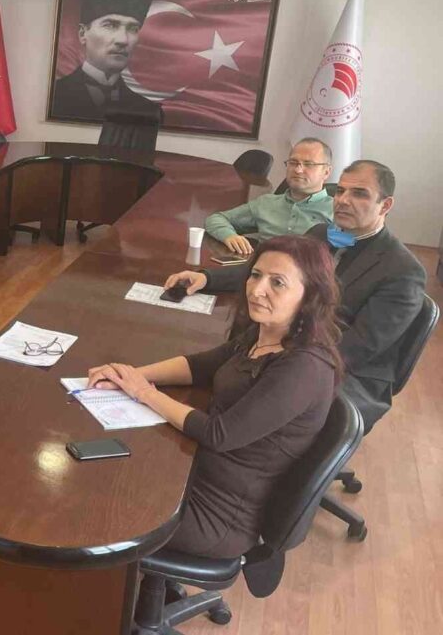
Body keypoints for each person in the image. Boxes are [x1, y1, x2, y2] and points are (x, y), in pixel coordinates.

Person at [88, 235, 342, 558]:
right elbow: (200, 367)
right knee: (105, 470)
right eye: (255, 275)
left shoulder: (304, 367)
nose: (257, 290)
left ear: (310, 296)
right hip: (196, 471)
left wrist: (142, 392)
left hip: (219, 514)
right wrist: (131, 375)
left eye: (277, 282)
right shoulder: (266, 332)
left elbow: (219, 434)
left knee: (99, 502)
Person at [166, 160, 427, 432]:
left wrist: (279, 359)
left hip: (346, 374)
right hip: (292, 342)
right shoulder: (321, 233)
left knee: (232, 403)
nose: (343, 200)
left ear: (385, 205)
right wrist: (207, 278)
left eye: (359, 194)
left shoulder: (403, 271)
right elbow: (270, 270)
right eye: (340, 191)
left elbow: (358, 348)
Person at [50, 0, 160, 122]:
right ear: (83, 33)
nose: (123, 40)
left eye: (133, 28)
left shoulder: (148, 111)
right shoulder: (53, 97)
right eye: (110, 25)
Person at [205, 138, 334, 256]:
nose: (298, 170)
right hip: (259, 270)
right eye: (293, 162)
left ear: (326, 172)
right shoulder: (267, 203)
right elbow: (216, 219)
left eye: (309, 164)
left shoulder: (337, 211)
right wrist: (229, 236)